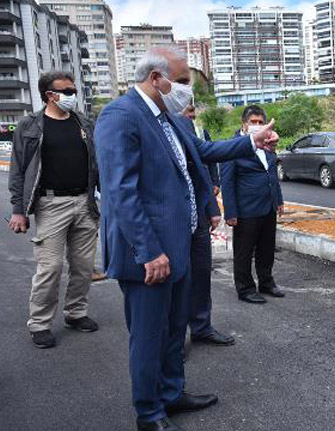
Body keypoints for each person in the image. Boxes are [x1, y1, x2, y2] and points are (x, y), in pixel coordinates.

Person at [94, 46, 278, 431]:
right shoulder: (119, 117)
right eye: (180, 82)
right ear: (156, 79)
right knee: (149, 336)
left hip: (180, 242)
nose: (185, 91)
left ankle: (172, 393)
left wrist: (251, 141)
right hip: (148, 253)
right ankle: (149, 413)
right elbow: (120, 192)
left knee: (176, 328)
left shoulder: (171, 119)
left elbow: (203, 153)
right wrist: (148, 250)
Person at [8, 71, 100, 349]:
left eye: (74, 91)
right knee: (50, 267)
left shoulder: (84, 122)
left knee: (83, 267)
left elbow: (97, 163)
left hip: (85, 203)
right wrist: (18, 210)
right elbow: (18, 170)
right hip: (50, 204)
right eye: (67, 91)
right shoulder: (30, 125)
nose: (73, 95)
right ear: (50, 94)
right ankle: (39, 323)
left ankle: (75, 313)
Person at [177, 107, 234, 346]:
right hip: (172, 217)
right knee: (178, 281)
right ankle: (175, 341)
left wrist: (212, 208)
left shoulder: (194, 130)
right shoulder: (156, 128)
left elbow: (204, 171)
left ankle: (201, 327)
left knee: (201, 273)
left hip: (198, 213)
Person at [220, 105, 284, 304]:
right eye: (253, 122)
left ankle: (266, 281)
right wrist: (230, 211)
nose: (257, 126)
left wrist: (279, 200)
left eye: (260, 122)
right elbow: (227, 181)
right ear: (244, 124)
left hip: (267, 207)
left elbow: (271, 174)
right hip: (246, 209)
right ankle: (245, 288)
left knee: (267, 247)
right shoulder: (234, 146)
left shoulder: (267, 144)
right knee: (244, 250)